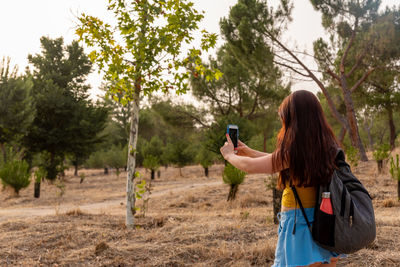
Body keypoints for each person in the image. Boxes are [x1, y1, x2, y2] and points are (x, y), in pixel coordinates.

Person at [220, 90, 341, 267]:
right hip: (326, 221)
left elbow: (252, 167)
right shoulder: (327, 146)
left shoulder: (295, 151)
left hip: (299, 222)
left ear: (294, 119)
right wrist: (249, 151)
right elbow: (281, 161)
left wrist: (229, 156)